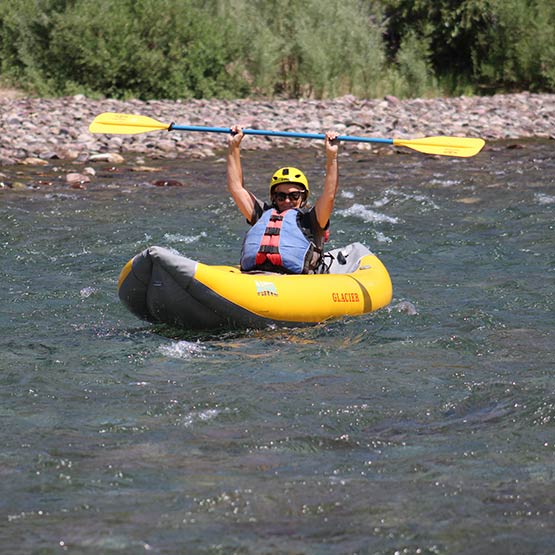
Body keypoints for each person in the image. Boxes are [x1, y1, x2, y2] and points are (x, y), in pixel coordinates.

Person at [227, 125, 339, 274]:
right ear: (274, 197)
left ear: (303, 196)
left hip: (296, 282)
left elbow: (329, 195)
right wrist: (233, 146)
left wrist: (332, 157)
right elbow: (236, 188)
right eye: (281, 196)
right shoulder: (262, 214)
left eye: (294, 196)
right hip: (256, 276)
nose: (287, 201)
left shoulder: (312, 219)